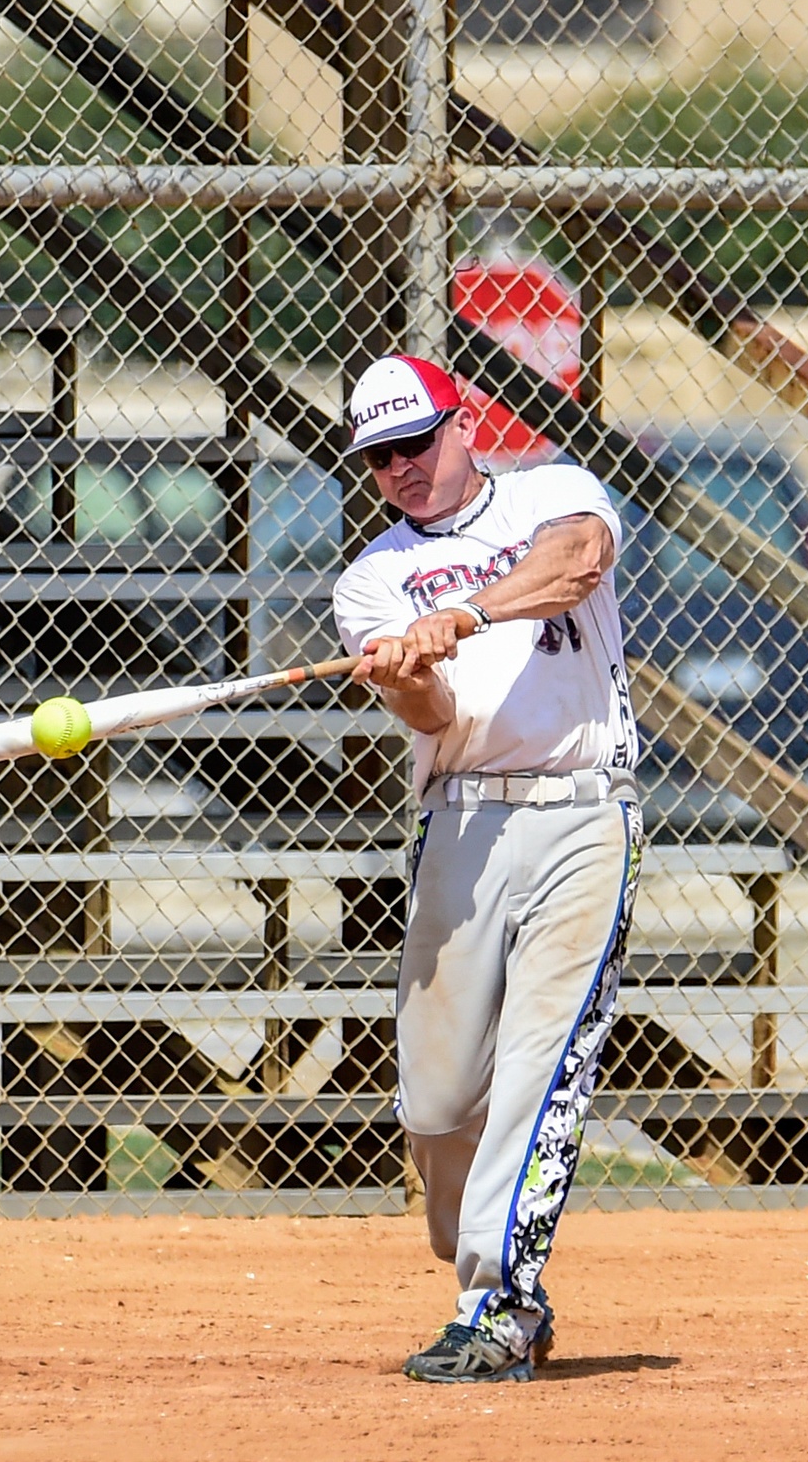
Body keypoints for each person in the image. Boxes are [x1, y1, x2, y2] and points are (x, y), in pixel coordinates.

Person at [331, 353, 643, 1384]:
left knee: (537, 1068)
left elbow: (575, 563)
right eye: (381, 458)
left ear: (461, 423)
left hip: (580, 810)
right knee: (436, 1102)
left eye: (417, 442)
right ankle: (482, 1265)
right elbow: (432, 718)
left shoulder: (554, 490)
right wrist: (407, 678)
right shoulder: (372, 577)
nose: (404, 469)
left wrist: (461, 617)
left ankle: (496, 1299)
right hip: (460, 822)